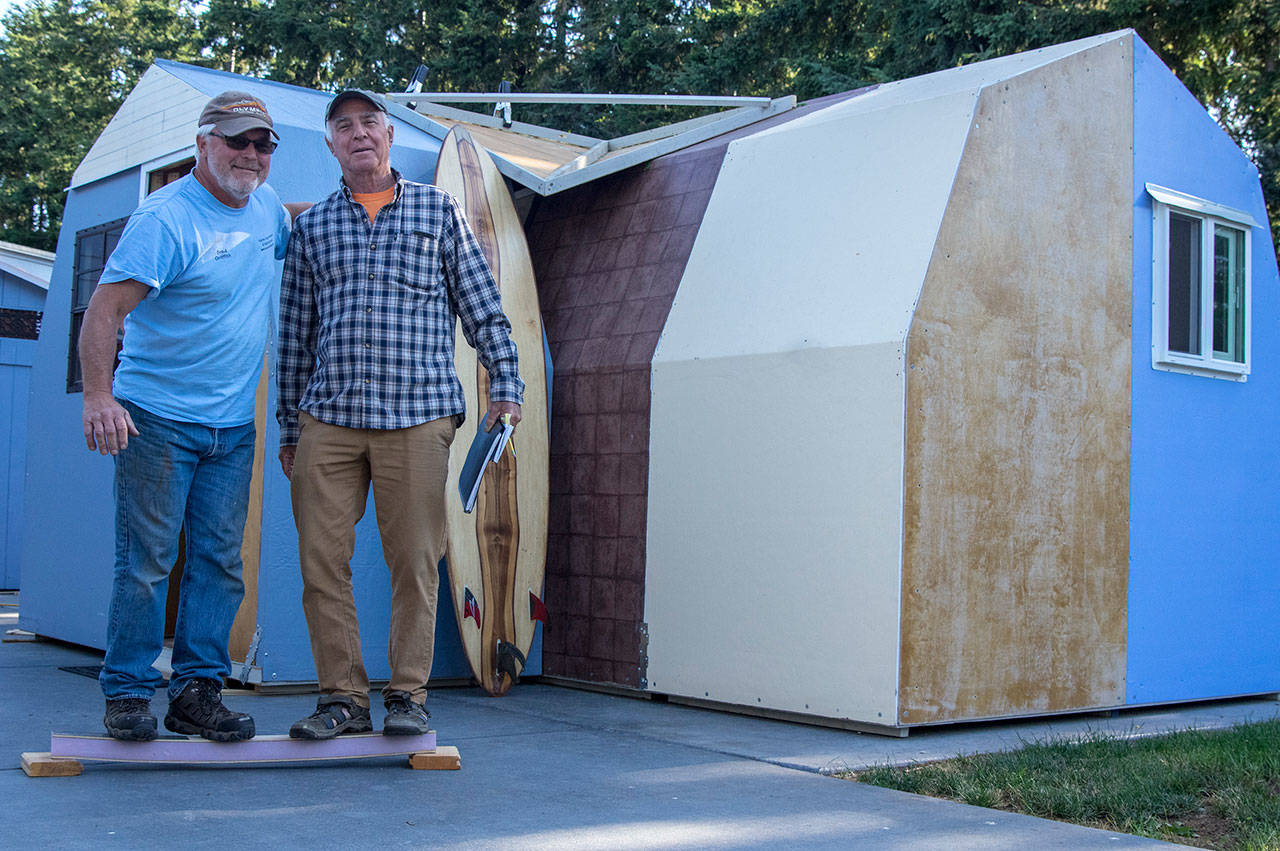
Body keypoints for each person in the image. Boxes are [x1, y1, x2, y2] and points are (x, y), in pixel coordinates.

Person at [277, 90, 523, 739]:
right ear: (330, 143)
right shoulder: (312, 228)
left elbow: (483, 306)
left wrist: (508, 384)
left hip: (417, 415)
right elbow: (295, 335)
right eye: (344, 126)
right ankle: (342, 697)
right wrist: (287, 426)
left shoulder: (438, 211)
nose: (358, 134)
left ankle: (407, 695)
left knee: (415, 557)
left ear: (387, 136)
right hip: (327, 417)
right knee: (319, 561)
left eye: (369, 124)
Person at [82, 92, 297, 742]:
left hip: (231, 428)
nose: (251, 155)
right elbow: (103, 312)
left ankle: (197, 694)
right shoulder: (165, 219)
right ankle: (126, 692)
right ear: (202, 142)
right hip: (157, 421)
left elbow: (296, 221)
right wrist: (99, 397)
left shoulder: (263, 205)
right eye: (237, 141)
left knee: (218, 561)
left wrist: (374, 207)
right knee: (147, 559)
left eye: (262, 144)